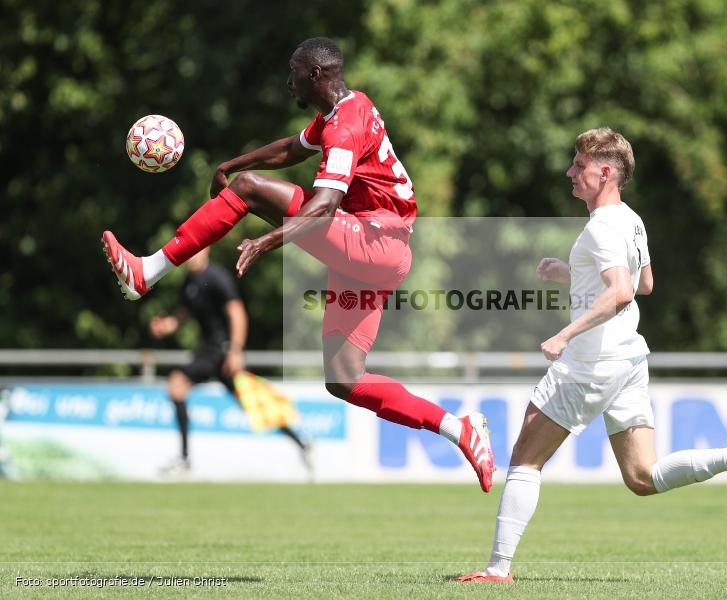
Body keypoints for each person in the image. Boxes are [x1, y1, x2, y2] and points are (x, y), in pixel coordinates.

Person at [101, 37, 495, 491]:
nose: (288, 80)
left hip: (374, 242)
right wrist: (231, 163)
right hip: (372, 248)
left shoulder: (344, 126)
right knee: (344, 379)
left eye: (293, 71)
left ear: (315, 75)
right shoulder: (344, 111)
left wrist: (269, 239)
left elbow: (325, 207)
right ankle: (459, 429)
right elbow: (292, 149)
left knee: (250, 189)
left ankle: (146, 272)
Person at [455, 128, 727, 584]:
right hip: (629, 359)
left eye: (579, 165)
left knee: (524, 459)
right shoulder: (632, 220)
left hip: (591, 364)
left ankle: (498, 570)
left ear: (606, 171)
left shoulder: (601, 226)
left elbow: (619, 292)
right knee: (642, 476)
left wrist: (564, 334)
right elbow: (644, 285)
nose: (570, 172)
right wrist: (571, 273)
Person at [150, 248, 313, 476]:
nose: (191, 255)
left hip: (222, 351)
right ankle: (302, 442)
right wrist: (167, 325)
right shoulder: (188, 282)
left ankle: (184, 459)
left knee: (182, 385)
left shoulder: (217, 277)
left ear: (206, 250)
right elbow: (182, 315)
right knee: (246, 401)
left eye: (196, 250)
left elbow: (237, 313)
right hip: (208, 351)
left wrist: (236, 351)